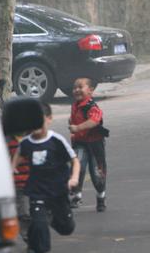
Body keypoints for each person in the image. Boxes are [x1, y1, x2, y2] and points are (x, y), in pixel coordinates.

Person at [12, 102, 80, 253]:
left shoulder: (56, 140)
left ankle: (54, 220)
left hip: (58, 192)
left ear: (49, 119)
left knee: (66, 228)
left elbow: (75, 160)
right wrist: (11, 170)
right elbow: (17, 157)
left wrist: (73, 178)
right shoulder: (26, 143)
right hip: (37, 192)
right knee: (38, 224)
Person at [68, 77, 108, 212]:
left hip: (95, 145)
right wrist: (73, 130)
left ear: (90, 91)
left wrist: (78, 128)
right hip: (80, 143)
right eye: (75, 87)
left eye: (80, 87)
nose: (77, 90)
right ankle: (76, 195)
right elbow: (72, 120)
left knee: (97, 173)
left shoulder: (92, 107)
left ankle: (101, 196)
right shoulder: (74, 105)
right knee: (77, 168)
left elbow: (94, 121)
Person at [7, 133, 31, 243]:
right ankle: (29, 238)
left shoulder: (33, 137)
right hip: (18, 183)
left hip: (36, 182)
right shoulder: (7, 140)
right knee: (24, 212)